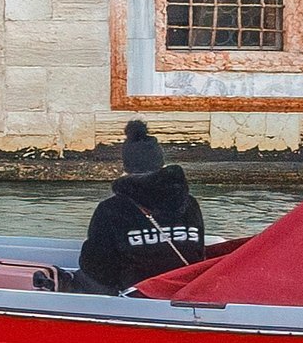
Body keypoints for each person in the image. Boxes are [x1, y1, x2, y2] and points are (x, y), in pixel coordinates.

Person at [38, 122, 216, 293]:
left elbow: (96, 267)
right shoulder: (190, 203)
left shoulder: (111, 209)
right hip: (183, 288)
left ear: (126, 166)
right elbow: (198, 253)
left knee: (76, 279)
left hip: (135, 294)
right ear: (161, 164)